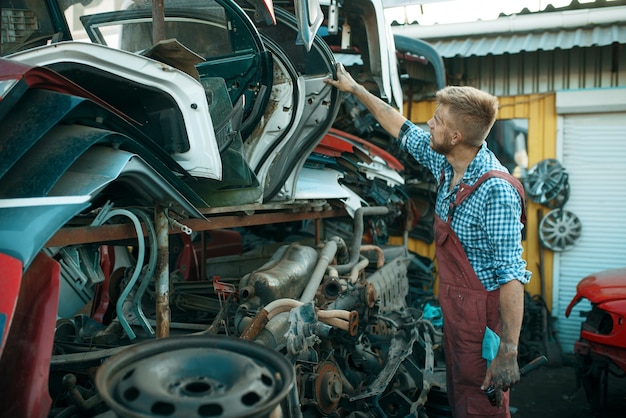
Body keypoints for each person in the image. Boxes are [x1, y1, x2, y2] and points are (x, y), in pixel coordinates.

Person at [325, 63, 531, 417]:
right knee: (458, 392)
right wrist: (356, 89)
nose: (429, 124)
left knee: (480, 403)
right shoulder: (448, 165)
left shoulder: (495, 190)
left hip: (482, 320)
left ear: (455, 137)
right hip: (455, 306)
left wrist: (508, 353)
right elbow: (399, 126)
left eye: (437, 120)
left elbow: (512, 276)